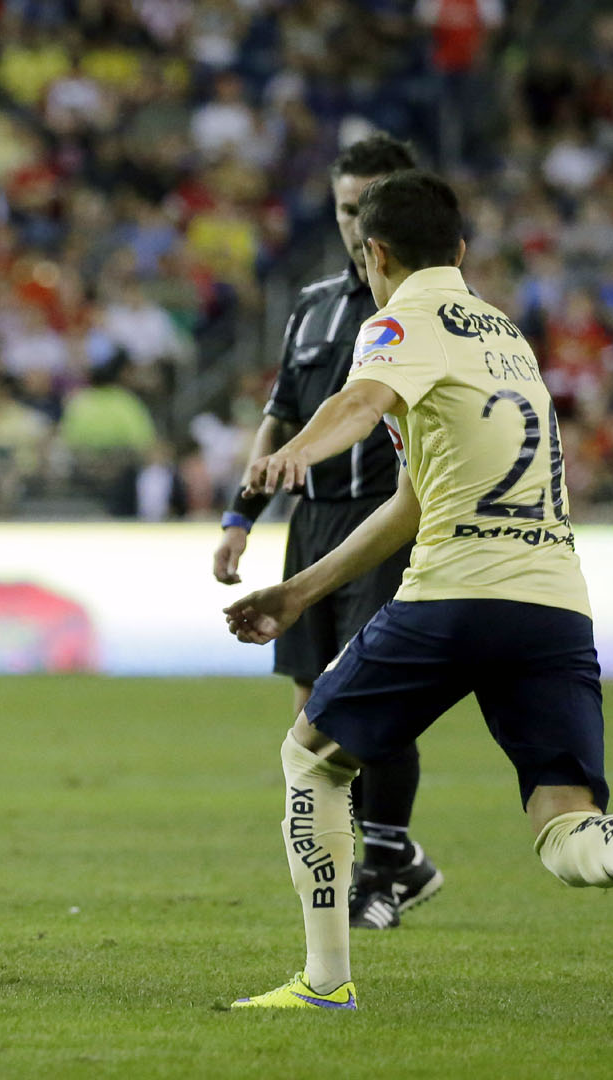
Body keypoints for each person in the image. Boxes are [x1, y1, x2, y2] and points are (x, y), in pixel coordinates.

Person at [223, 170, 613, 1009]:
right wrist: (299, 591)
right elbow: (412, 500)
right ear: (461, 251)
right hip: (555, 603)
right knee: (560, 816)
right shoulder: (504, 333)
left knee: (312, 759)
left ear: (375, 253)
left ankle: (325, 985)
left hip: (457, 591)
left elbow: (359, 402)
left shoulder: (402, 318)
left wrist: (301, 452)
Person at [212, 133, 444, 931]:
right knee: (315, 704)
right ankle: (357, 869)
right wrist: (242, 515)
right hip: (312, 523)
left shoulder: (421, 311)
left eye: (370, 207)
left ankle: (384, 864)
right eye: (347, 206)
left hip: (387, 521)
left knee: (366, 701)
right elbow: (280, 414)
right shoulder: (312, 308)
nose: (356, 223)